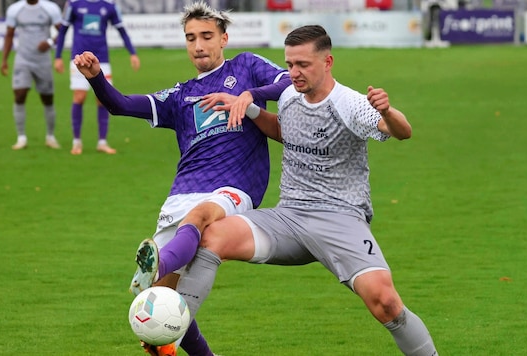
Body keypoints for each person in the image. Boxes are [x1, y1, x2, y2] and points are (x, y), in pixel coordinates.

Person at [173, 25, 439, 355]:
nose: (294, 73)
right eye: (289, 65)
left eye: (303, 65)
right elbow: (286, 132)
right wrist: (251, 110)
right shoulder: (288, 97)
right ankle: (170, 329)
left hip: (340, 219)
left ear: (327, 62)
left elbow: (402, 131)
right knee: (212, 236)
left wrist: (386, 110)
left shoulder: (349, 103)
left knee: (386, 302)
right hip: (289, 218)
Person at [72, 2, 291, 354]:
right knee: (157, 322)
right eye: (191, 38)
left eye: (207, 36)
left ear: (224, 39)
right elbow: (121, 105)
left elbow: (286, 81)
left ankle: (161, 261)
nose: (199, 45)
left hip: (233, 187)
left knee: (202, 216)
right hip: (181, 193)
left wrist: (249, 96)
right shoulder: (180, 95)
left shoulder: (246, 66)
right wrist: (96, 77)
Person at [54, 0, 141, 155]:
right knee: (79, 97)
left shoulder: (109, 5)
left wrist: (132, 53)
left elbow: (121, 30)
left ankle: (102, 142)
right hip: (79, 59)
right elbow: (63, 30)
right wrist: (58, 56)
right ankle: (77, 142)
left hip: (102, 60)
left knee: (103, 100)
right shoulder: (73, 4)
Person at [1, 0, 63, 150]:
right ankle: (21, 137)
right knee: (20, 94)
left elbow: (63, 30)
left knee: (47, 98)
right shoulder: (15, 9)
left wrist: (49, 42)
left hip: (43, 60)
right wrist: (4, 60)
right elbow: (9, 35)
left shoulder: (50, 8)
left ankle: (50, 136)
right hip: (23, 59)